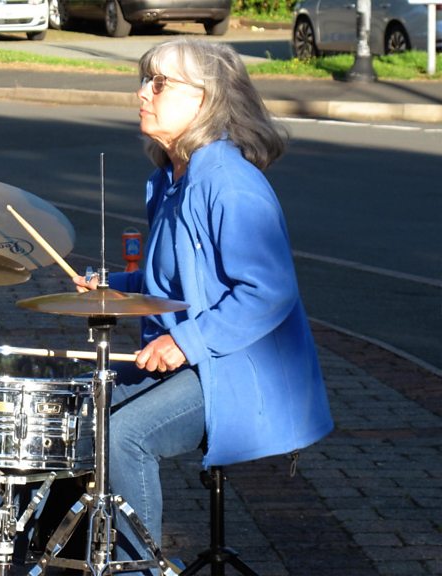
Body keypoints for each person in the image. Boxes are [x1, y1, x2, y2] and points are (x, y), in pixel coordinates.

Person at [69, 38, 334, 573]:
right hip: (204, 358)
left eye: (159, 83)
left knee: (125, 435)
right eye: (145, 79)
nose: (143, 92)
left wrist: (184, 341)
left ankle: (137, 570)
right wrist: (113, 287)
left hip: (241, 368)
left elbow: (267, 291)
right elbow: (177, 277)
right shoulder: (174, 180)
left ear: (205, 100)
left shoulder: (229, 183)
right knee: (85, 412)